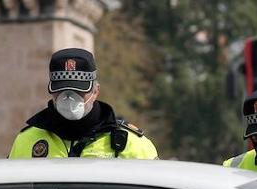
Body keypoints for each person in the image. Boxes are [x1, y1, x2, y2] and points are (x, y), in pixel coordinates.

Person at [8, 48, 158, 159]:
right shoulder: (26, 140)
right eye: (61, 90)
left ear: (95, 91)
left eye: (78, 90)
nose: (68, 97)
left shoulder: (132, 144)